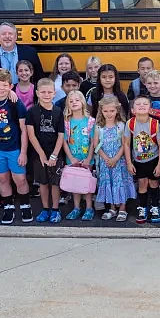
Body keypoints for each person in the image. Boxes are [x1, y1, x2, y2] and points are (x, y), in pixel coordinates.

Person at [0, 69, 32, 225]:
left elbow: (24, 130)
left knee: (20, 178)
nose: (1, 88)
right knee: (2, 178)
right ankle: (9, 207)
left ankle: (25, 205)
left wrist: (23, 152)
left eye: (4, 85)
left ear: (10, 86)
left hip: (14, 148)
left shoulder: (16, 104)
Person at [26, 78, 65, 223]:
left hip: (56, 153)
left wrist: (54, 154)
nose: (46, 95)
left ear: (54, 93)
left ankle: (55, 209)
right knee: (43, 183)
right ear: (37, 93)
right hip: (39, 154)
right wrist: (42, 154)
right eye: (43, 92)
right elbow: (31, 134)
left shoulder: (58, 112)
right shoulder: (32, 112)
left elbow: (61, 135)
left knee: (55, 183)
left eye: (49, 92)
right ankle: (45, 209)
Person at [124, 95, 160, 224]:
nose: (141, 106)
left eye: (145, 104)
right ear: (133, 109)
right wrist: (129, 162)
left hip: (153, 159)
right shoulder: (130, 123)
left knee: (154, 184)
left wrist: (159, 165)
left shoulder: (155, 123)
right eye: (138, 104)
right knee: (142, 184)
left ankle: (155, 207)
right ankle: (142, 208)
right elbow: (126, 144)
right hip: (138, 160)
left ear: (150, 109)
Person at [95, 96, 136, 221]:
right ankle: (112, 208)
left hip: (120, 161)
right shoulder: (98, 127)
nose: (109, 114)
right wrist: (106, 158)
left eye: (112, 111)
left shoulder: (122, 125)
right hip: (105, 161)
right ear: (101, 111)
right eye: (106, 111)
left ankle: (122, 208)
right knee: (110, 183)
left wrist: (116, 158)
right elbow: (96, 144)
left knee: (120, 182)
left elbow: (125, 144)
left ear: (117, 110)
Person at [62, 90, 96, 221]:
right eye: (71, 101)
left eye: (77, 100)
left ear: (83, 102)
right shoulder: (66, 122)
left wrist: (88, 158)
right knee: (74, 183)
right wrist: (71, 158)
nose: (74, 103)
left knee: (86, 183)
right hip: (72, 158)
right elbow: (64, 141)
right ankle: (76, 207)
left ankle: (89, 207)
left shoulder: (90, 121)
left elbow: (93, 142)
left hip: (87, 158)